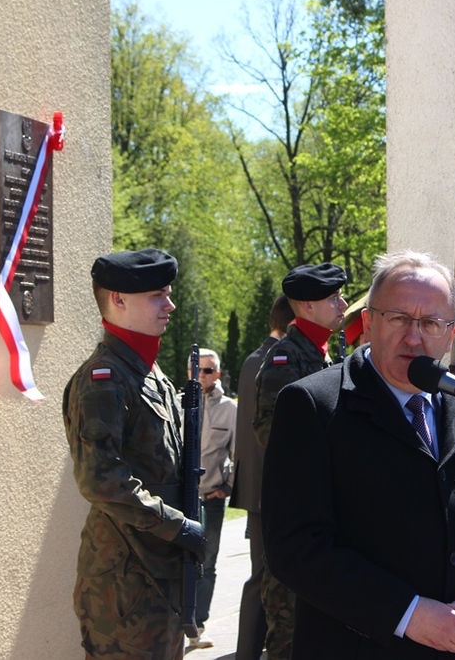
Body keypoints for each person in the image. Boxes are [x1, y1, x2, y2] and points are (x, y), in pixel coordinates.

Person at [261, 250, 455, 659]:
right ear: (370, 323)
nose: (414, 337)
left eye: (430, 323)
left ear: (452, 333)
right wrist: (407, 613)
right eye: (399, 319)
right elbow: (296, 547)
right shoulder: (313, 405)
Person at [62, 248, 206, 660]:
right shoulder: (103, 378)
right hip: (124, 583)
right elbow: (100, 478)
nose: (170, 304)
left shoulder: (148, 372)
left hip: (158, 573)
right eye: (158, 295)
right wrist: (176, 525)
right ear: (118, 300)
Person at [253, 262, 348, 660]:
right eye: (333, 297)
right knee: (290, 640)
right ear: (306, 306)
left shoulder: (326, 357)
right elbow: (275, 437)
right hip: (298, 524)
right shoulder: (285, 361)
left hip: (328, 523)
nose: (343, 303)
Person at [229, 293, 294, 660]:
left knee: (260, 578)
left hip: (257, 485)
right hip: (270, 486)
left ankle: (247, 652)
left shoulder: (256, 359)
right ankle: (248, 653)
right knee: (264, 580)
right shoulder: (276, 360)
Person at [183, 348, 238, 649]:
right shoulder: (179, 403)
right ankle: (176, 621)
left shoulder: (230, 409)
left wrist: (225, 488)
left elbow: (238, 452)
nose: (202, 375)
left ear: (217, 373)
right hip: (180, 497)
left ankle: (197, 627)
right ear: (189, 373)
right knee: (178, 561)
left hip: (211, 498)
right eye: (197, 370)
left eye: (208, 370)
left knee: (207, 563)